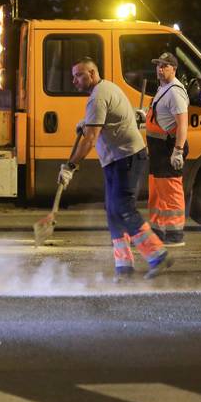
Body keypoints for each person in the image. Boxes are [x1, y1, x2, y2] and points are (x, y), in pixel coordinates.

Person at [57, 57, 173, 279]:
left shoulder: (97, 97)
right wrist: (86, 121)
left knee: (123, 207)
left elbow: (90, 139)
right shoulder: (105, 89)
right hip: (116, 160)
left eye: (78, 75)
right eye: (73, 76)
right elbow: (106, 120)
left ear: (91, 74)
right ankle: (124, 267)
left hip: (126, 158)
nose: (74, 80)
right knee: (112, 212)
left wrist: (70, 166)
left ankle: (158, 254)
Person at [146, 52, 189, 246]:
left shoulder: (175, 91)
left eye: (164, 66)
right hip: (158, 150)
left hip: (168, 148)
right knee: (157, 192)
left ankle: (174, 234)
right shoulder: (163, 88)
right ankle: (157, 231)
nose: (160, 69)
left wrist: (178, 150)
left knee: (171, 192)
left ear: (174, 68)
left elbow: (182, 125)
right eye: (158, 65)